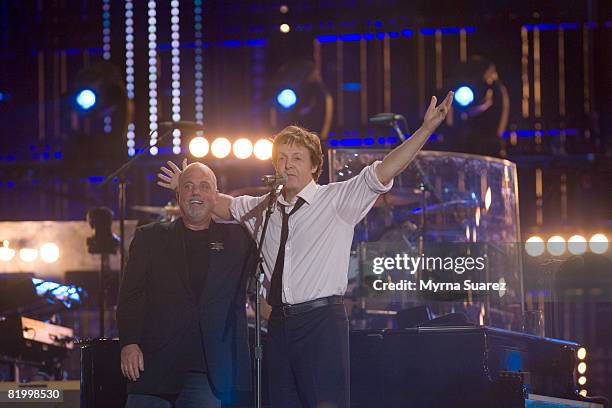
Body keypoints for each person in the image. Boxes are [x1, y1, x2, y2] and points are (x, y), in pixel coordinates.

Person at [158, 92, 454, 408]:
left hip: (322, 322)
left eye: (297, 157)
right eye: (282, 158)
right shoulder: (264, 207)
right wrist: (185, 185)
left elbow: (384, 171)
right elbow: (222, 205)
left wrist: (424, 130)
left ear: (314, 166)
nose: (288, 165)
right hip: (280, 327)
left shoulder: (336, 199)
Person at [118, 163, 255, 408]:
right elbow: (130, 295)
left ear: (216, 196)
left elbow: (268, 220)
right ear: (178, 194)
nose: (196, 193)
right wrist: (129, 343)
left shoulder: (239, 240)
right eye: (188, 187)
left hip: (207, 373)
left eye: (205, 187)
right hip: (152, 368)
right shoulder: (149, 237)